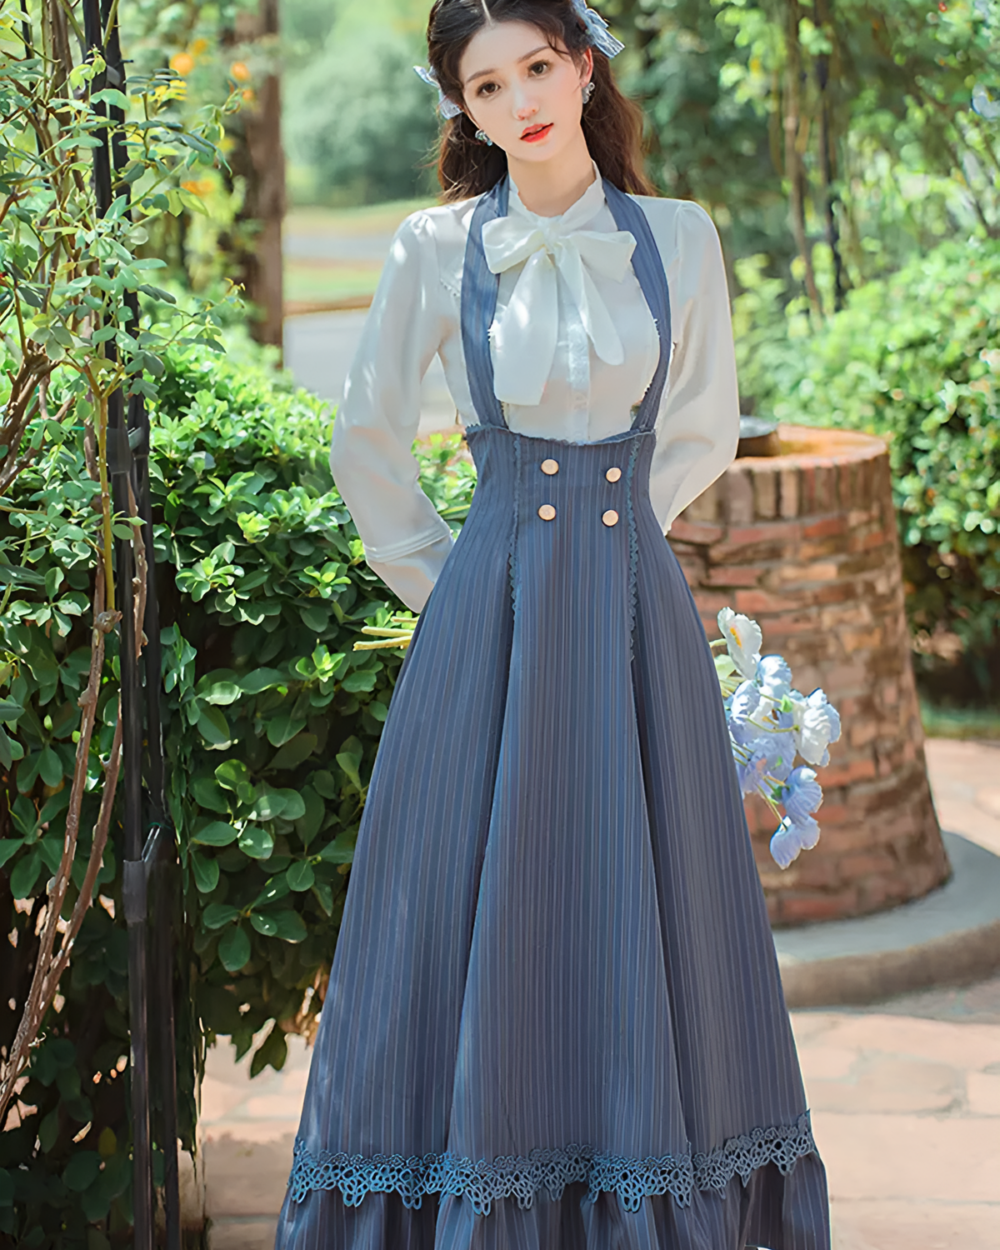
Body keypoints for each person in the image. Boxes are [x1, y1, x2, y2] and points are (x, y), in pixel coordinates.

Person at [275, 2, 831, 1247]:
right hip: (489, 620)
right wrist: (459, 583)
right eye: (487, 86)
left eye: (536, 67)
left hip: (633, 613)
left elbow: (702, 422)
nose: (520, 100)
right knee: (468, 907)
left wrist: (609, 534)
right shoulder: (434, 247)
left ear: (582, 67)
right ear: (462, 110)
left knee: (648, 900)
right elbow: (365, 440)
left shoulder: (678, 237)